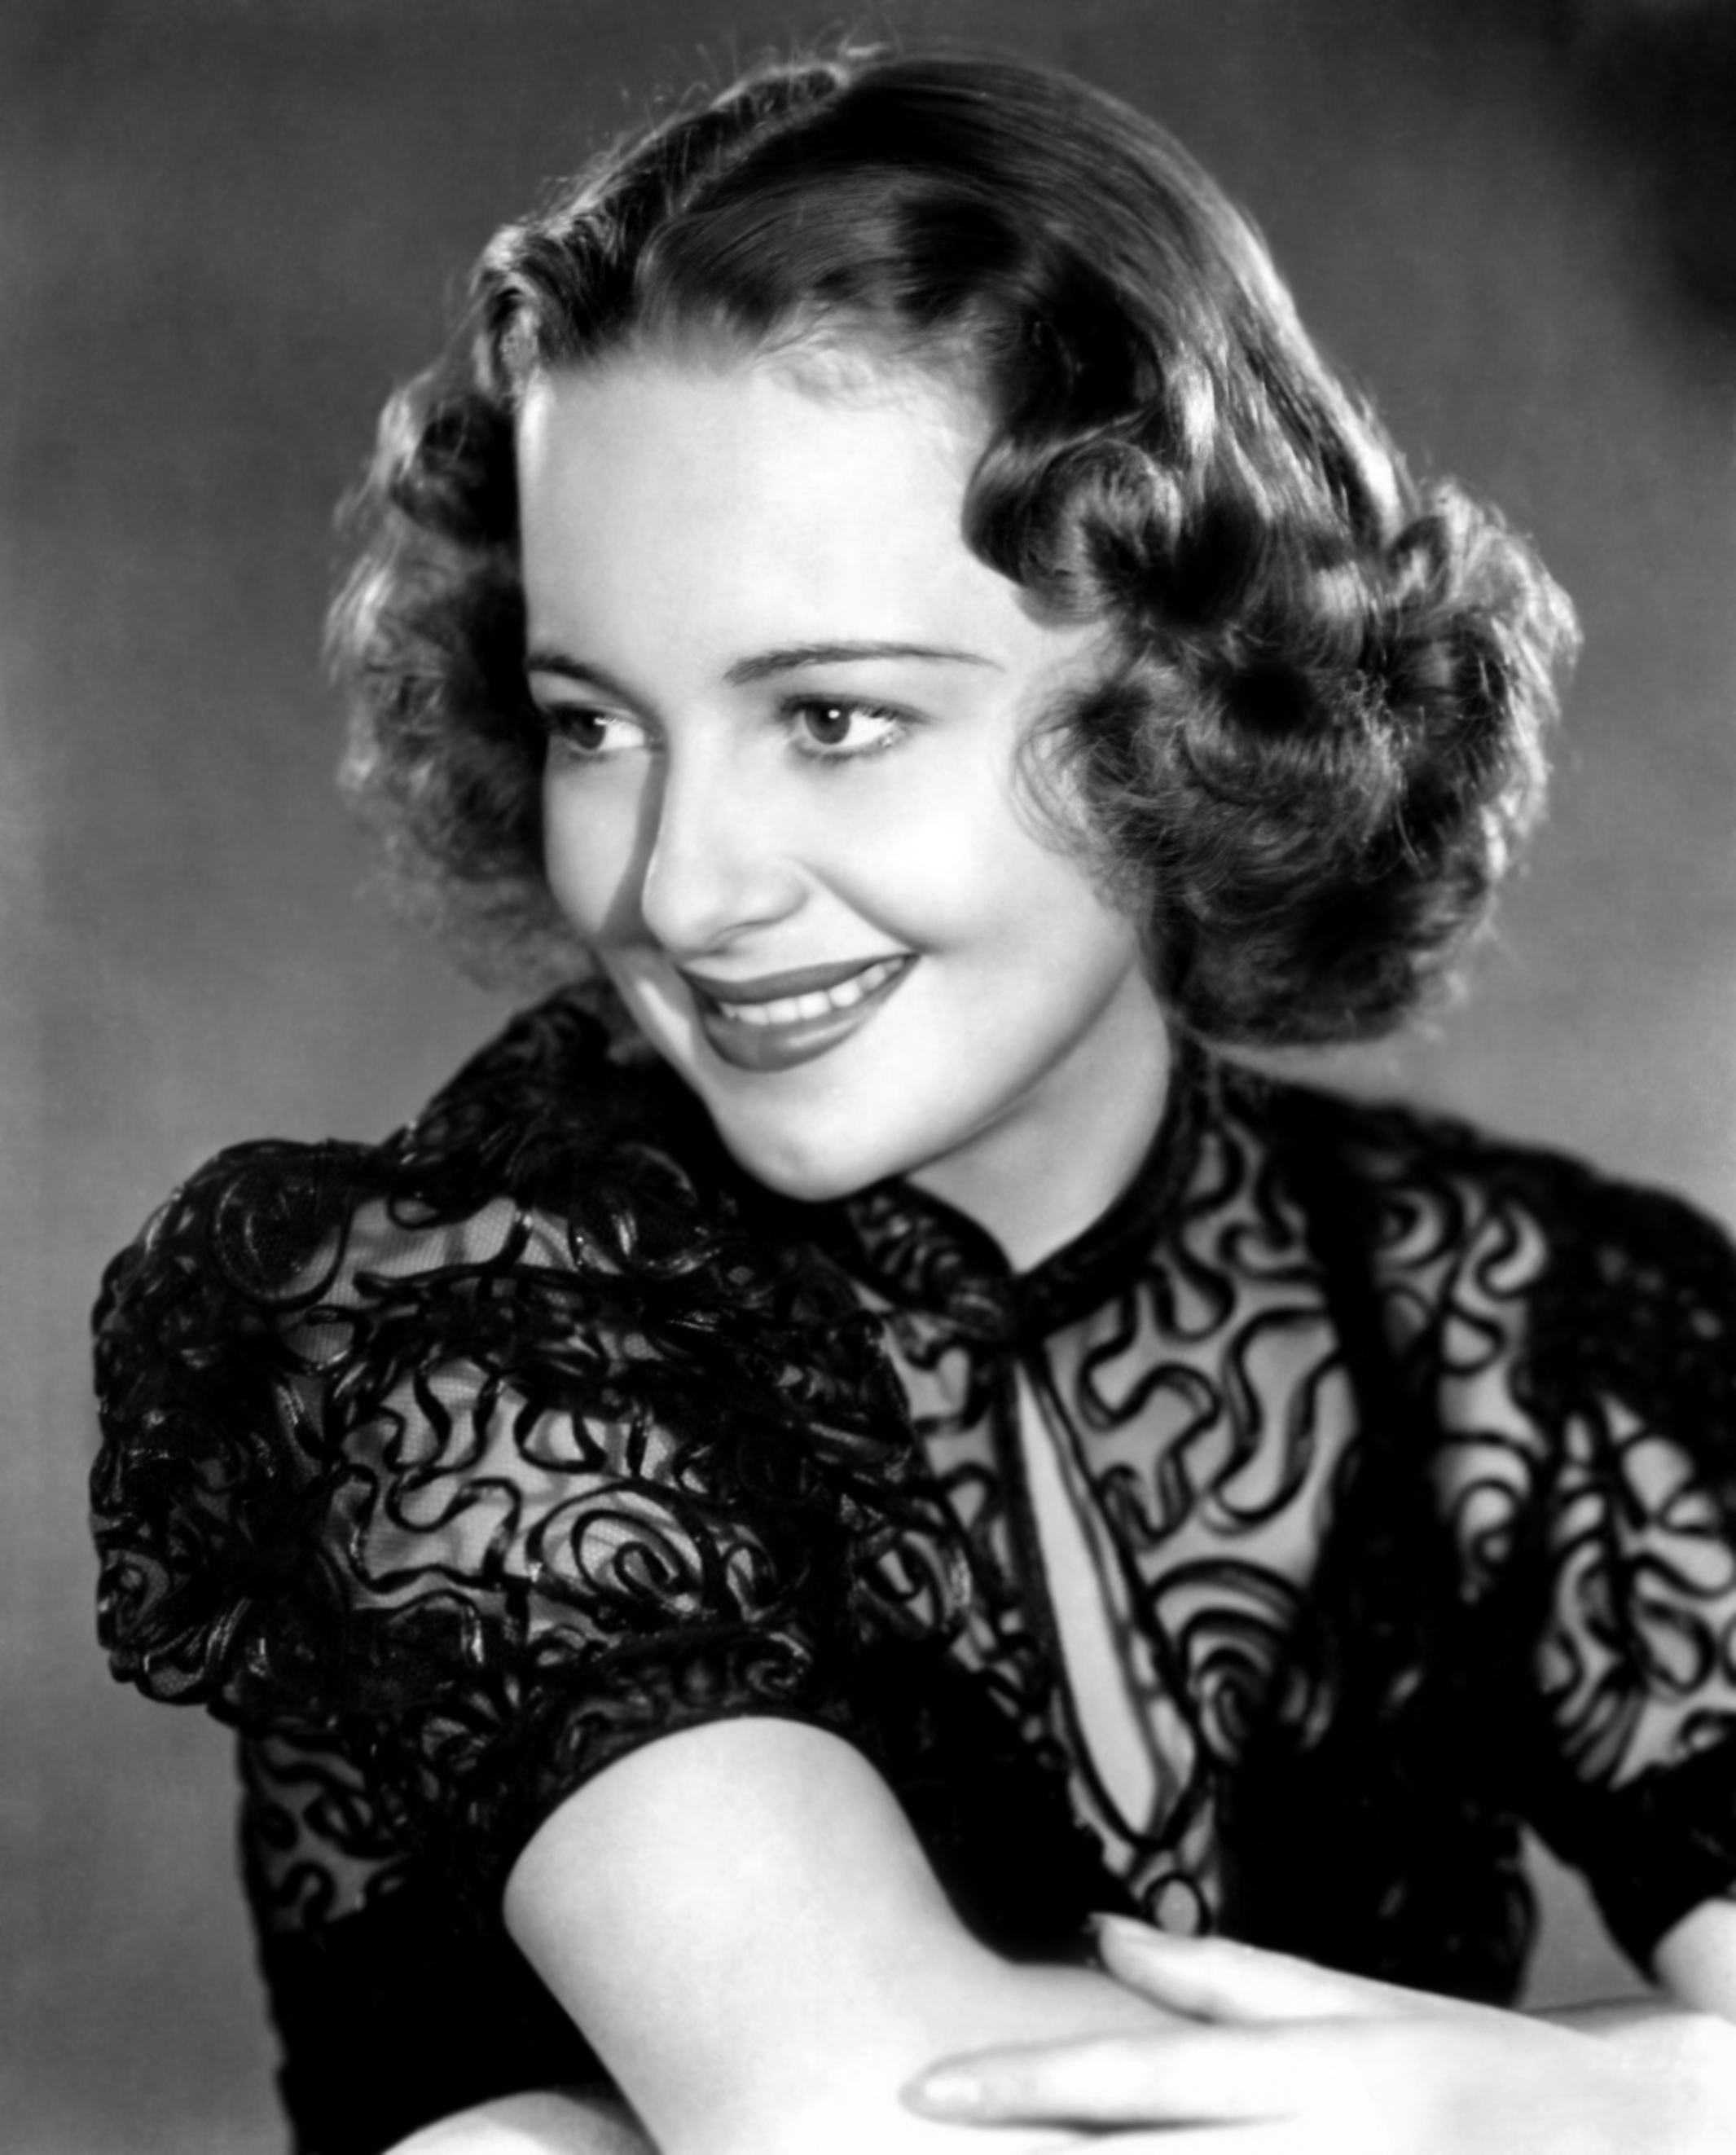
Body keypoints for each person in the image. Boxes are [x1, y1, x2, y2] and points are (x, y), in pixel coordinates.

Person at [90, 42, 1736, 2155]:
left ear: (1195, 691)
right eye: (594, 723)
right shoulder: (449, 1326)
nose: (681, 886)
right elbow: (873, 2130)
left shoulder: (1531, 1320)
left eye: (834, 717)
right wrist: (1601, 2102)